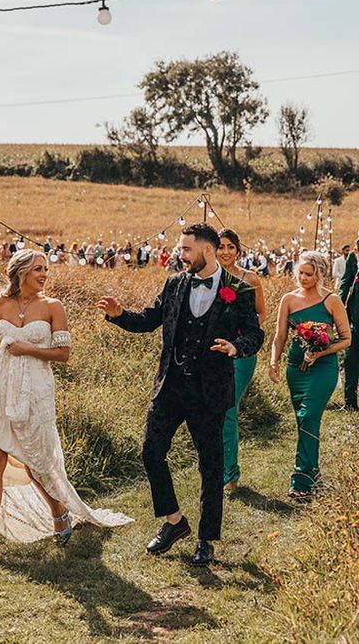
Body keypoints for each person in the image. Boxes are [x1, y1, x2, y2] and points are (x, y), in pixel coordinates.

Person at [97, 223, 263, 566]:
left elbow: (254, 334)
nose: (180, 254)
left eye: (186, 249)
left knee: (211, 466)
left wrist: (236, 347)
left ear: (207, 249)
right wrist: (119, 315)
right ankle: (174, 522)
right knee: (150, 452)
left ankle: (206, 540)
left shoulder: (239, 290)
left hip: (210, 390)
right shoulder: (174, 284)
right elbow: (149, 319)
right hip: (170, 386)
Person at [0, 249, 132, 564]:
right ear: (20, 272)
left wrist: (28, 347)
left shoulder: (53, 307)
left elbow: (64, 353)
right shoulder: (0, 305)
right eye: (38, 269)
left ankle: (59, 512)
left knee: (36, 462)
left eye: (46, 269)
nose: (44, 274)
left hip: (37, 390)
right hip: (2, 387)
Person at [269, 251, 351, 501]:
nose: (303, 278)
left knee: (308, 416)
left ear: (319, 273)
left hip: (323, 369)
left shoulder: (332, 300)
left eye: (308, 274)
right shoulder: (288, 300)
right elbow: (280, 336)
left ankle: (300, 481)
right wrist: (274, 361)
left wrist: (321, 351)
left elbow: (347, 339)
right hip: (295, 369)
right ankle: (313, 474)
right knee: (304, 422)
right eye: (300, 273)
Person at [217, 228, 267, 493]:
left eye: (231, 247)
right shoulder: (208, 277)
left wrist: (240, 337)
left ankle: (230, 475)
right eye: (221, 246)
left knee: (228, 410)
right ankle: (215, 467)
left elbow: (262, 313)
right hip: (212, 353)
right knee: (212, 411)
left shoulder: (250, 278)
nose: (225, 251)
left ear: (238, 250)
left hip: (241, 354)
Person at [339, 239, 359, 411]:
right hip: (355, 319)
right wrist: (339, 310)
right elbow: (346, 283)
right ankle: (350, 402)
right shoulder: (353, 257)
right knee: (351, 359)